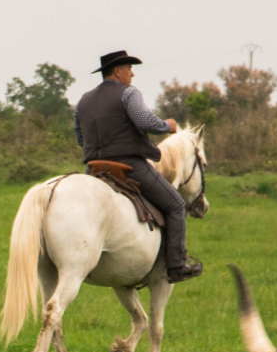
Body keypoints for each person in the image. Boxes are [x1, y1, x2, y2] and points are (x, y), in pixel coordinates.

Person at [74, 50, 202, 284]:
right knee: (176, 204)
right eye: (129, 68)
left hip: (94, 168)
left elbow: (80, 138)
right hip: (128, 165)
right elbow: (145, 122)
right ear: (117, 71)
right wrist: (168, 126)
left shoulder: (83, 100)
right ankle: (176, 266)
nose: (132, 74)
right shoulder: (129, 93)